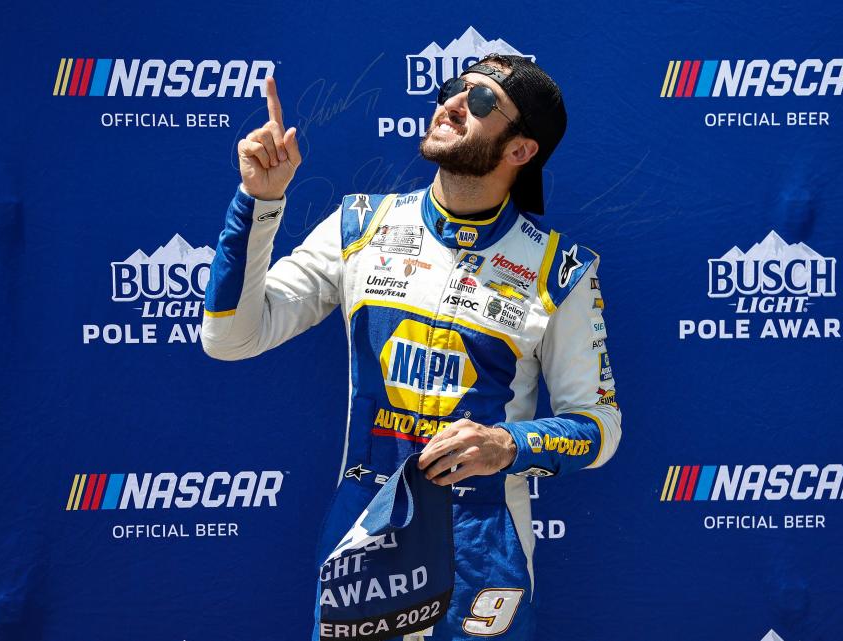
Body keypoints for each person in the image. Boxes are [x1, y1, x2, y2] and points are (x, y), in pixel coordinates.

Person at [201, 54, 621, 640]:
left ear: (521, 151)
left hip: (483, 546)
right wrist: (261, 203)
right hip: (366, 535)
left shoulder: (560, 270)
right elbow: (230, 338)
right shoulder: (360, 227)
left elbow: (599, 427)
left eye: (479, 102)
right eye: (452, 88)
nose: (450, 104)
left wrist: (508, 443)